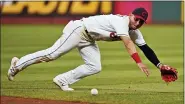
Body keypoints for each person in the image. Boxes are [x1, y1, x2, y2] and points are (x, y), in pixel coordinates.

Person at [7, 7, 177, 91]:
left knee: (95, 66)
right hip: (79, 29)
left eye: (141, 22)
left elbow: (146, 48)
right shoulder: (122, 22)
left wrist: (159, 65)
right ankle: (17, 64)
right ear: (131, 15)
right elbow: (128, 43)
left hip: (89, 38)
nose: (138, 23)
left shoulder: (135, 31)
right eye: (137, 19)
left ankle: (63, 80)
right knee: (52, 54)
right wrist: (138, 62)